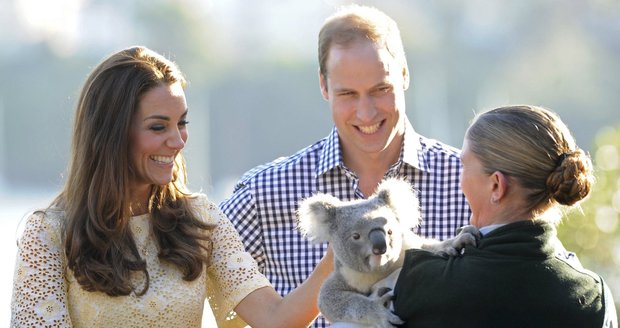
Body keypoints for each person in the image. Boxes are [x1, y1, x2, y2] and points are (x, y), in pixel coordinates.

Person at [10, 46, 332, 328]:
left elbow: (276, 319)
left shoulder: (202, 220)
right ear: (111, 133)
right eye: (158, 126)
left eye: (182, 123)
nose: (177, 141)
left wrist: (342, 253)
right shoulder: (48, 235)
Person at [219, 5, 470, 327]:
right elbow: (188, 267)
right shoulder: (264, 193)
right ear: (324, 86)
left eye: (381, 90)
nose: (366, 113)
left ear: (404, 74)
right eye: (348, 94)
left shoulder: (465, 181)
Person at [393, 105, 618, 328]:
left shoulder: (419, 282)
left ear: (496, 186)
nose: (459, 181)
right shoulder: (593, 296)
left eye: (464, 166)